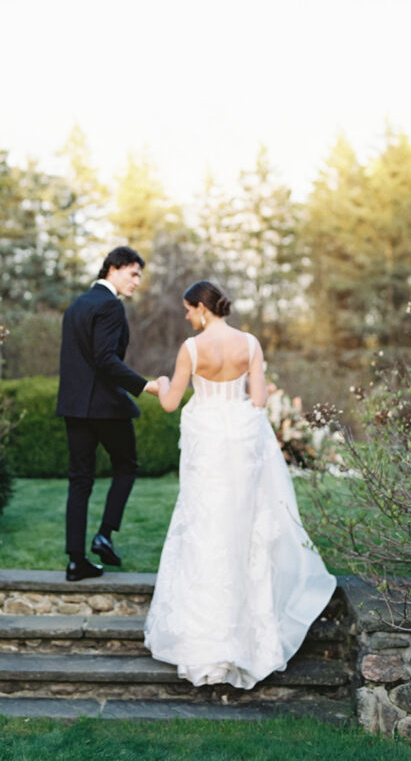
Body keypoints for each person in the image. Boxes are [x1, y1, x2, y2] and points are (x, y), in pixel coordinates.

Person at [144, 280, 336, 688]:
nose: (186, 316)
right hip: (240, 445)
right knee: (243, 529)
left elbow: (170, 402)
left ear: (202, 308)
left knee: (205, 528)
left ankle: (203, 640)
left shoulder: (191, 349)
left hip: (208, 448)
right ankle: (249, 638)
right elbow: (259, 400)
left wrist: (158, 383)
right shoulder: (249, 344)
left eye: (188, 309)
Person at [57, 246, 159, 582]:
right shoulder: (111, 305)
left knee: (80, 480)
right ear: (113, 268)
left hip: (75, 408)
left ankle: (76, 561)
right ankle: (104, 534)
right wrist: (145, 386)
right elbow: (104, 359)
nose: (137, 282)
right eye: (133, 273)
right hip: (105, 408)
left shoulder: (76, 305)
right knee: (126, 466)